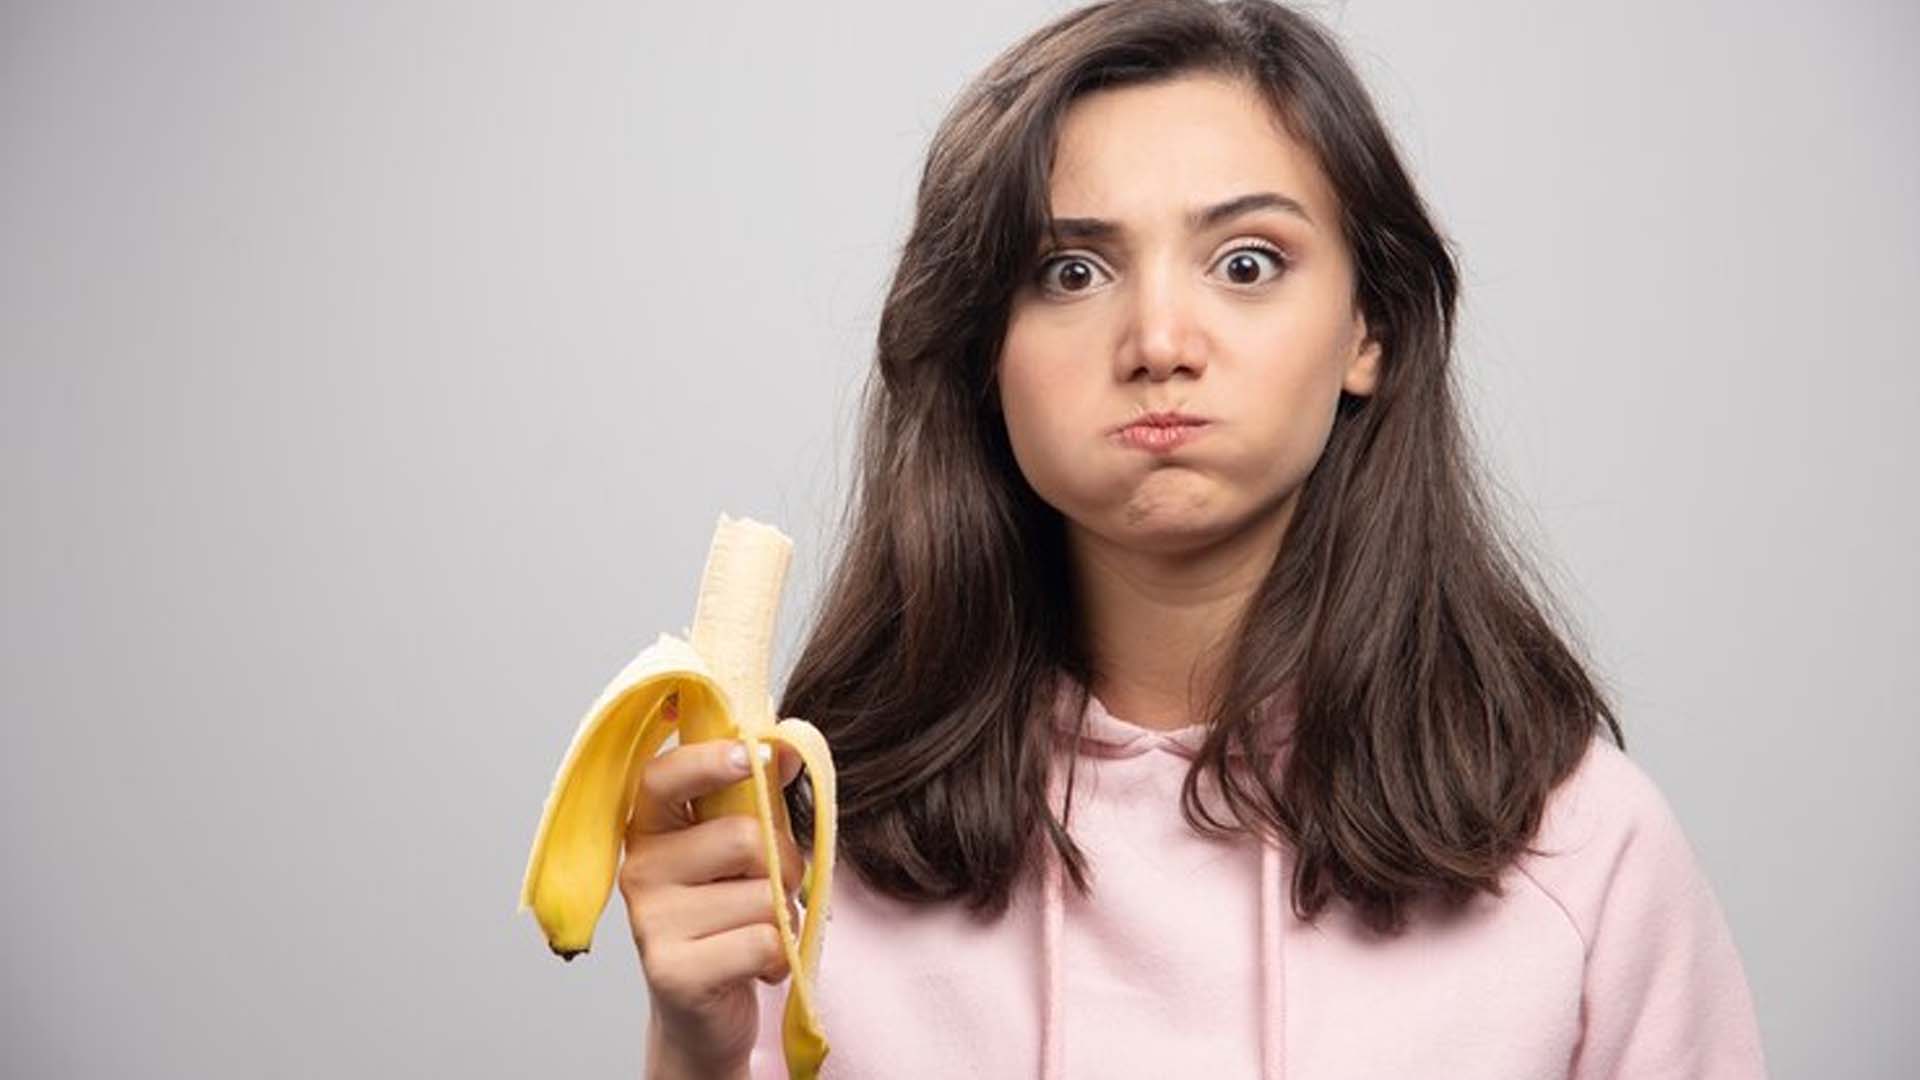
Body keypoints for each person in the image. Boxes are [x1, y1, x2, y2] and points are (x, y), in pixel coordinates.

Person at [620, 1, 1769, 1077]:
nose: (1160, 340)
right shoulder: (810, 848)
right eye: (1071, 272)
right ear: (982, 349)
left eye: (1247, 263)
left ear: (1368, 326)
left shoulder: (1579, 844)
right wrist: (697, 1053)